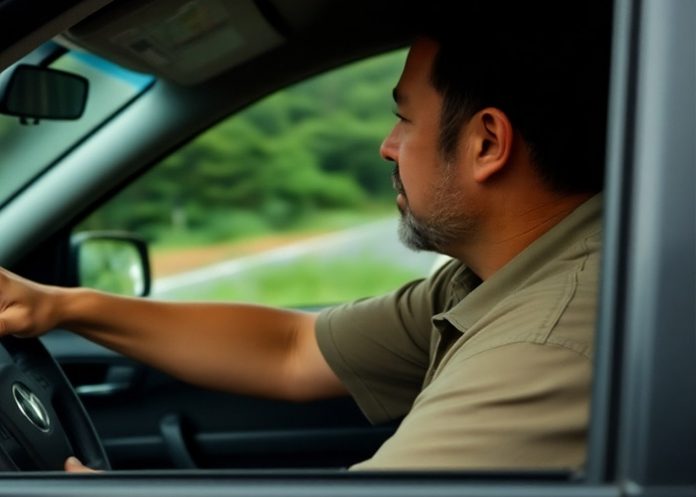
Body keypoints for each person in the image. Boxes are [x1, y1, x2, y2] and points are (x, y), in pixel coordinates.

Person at [0, 4, 610, 471]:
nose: (387, 146)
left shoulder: (546, 346)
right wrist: (59, 304)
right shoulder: (494, 277)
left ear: (486, 145)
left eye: (403, 118)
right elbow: (289, 349)